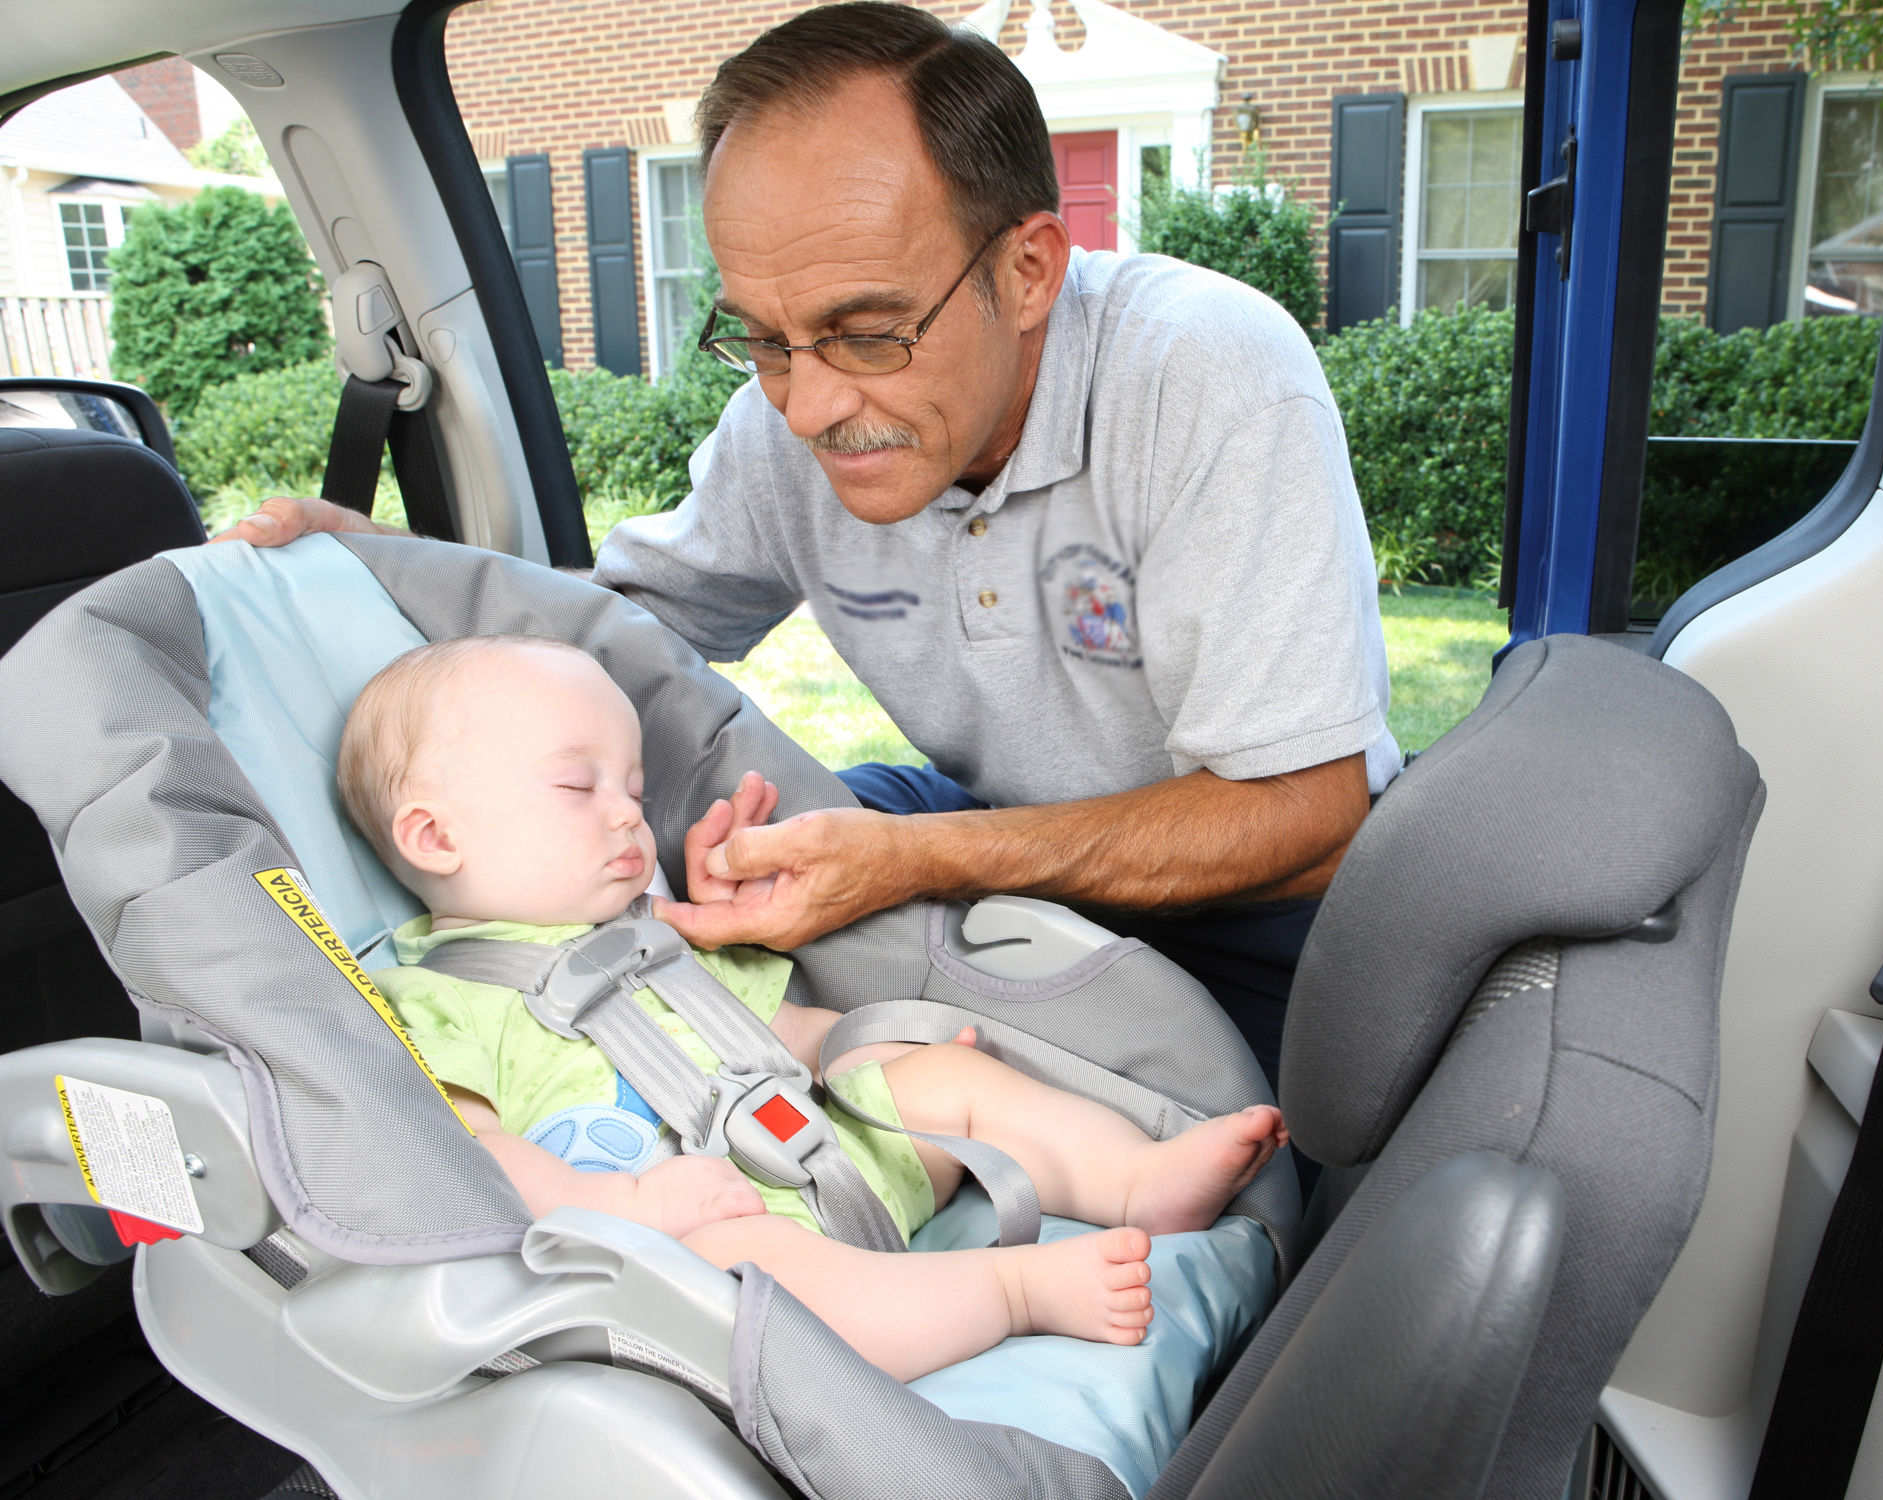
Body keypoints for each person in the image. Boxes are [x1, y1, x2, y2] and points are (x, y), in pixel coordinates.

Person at [214, 1, 1400, 1093]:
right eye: (765, 339)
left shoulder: (1208, 374)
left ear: (1028, 270)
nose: (808, 408)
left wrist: (918, 859)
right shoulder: (779, 427)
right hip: (987, 821)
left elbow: (1308, 814)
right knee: (720, 844)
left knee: (1234, 1157)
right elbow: (620, 628)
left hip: (1269, 909)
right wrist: (389, 569)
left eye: (868, 332)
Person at [344, 634, 1288, 1382]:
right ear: (435, 835)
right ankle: (1009, 1290)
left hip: (825, 1152)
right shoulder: (429, 1001)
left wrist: (866, 1052)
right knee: (740, 1271)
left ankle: (1133, 1182)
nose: (631, 815)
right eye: (575, 787)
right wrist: (624, 1206)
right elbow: (470, 1157)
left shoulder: (652, 933)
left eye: (632, 787)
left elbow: (770, 1035)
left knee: (942, 1075)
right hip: (703, 1231)